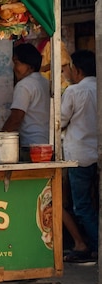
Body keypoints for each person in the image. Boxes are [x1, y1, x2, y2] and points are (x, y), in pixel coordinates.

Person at [61, 50, 98, 263]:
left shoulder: (75, 91)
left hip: (80, 155)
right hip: (96, 153)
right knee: (92, 203)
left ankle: (94, 246)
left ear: (78, 70)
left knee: (82, 205)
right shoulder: (98, 88)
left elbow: (61, 120)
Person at [2, 43, 50, 147]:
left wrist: (0, 139)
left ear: (30, 66)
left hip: (31, 144)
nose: (14, 68)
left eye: (17, 63)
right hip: (47, 141)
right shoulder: (45, 82)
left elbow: (16, 118)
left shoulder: (24, 85)